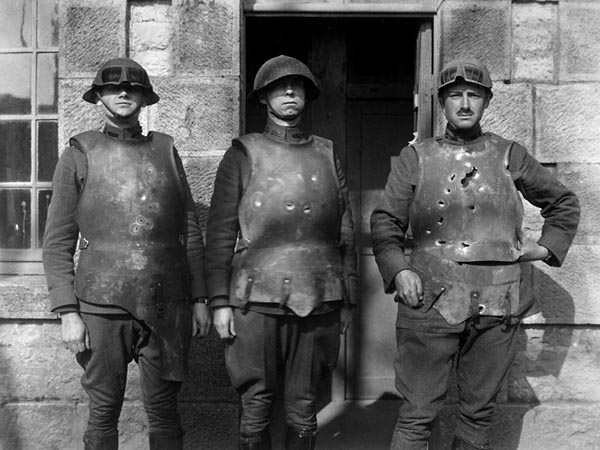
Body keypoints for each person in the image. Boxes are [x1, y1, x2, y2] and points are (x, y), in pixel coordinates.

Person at [370, 58, 580, 450]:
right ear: (443, 103)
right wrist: (400, 271)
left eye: (474, 95)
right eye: (455, 96)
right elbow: (385, 223)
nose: (464, 104)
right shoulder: (416, 157)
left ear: (487, 102)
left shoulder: (510, 155)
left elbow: (563, 203)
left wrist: (544, 247)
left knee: (477, 413)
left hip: (497, 302)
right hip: (428, 300)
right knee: (417, 414)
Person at [42, 57, 211, 450]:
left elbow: (190, 230)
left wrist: (200, 297)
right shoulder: (79, 153)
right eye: (113, 88)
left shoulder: (167, 150)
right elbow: (58, 241)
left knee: (166, 411)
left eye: (132, 88)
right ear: (99, 96)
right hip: (101, 306)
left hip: (167, 302)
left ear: (144, 98)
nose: (123, 93)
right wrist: (68, 312)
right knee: (103, 410)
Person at [205, 55, 358, 450]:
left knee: (304, 405)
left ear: (307, 96)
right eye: (280, 87)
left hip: (319, 298)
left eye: (297, 87)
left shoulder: (326, 153)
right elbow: (220, 234)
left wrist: (347, 301)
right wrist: (219, 302)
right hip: (256, 301)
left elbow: (346, 231)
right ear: (264, 97)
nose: (289, 92)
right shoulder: (243, 153)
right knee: (256, 402)